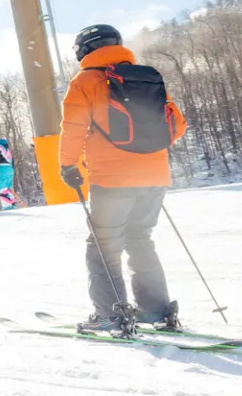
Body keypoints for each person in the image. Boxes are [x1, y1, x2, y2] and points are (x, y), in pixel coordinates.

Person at [58, 24, 189, 334]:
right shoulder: (146, 76)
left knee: (104, 246)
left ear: (83, 51)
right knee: (140, 239)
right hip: (155, 176)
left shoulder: (85, 81)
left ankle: (109, 315)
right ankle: (157, 310)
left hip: (112, 179)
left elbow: (73, 128)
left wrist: (67, 166)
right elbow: (178, 125)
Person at [0, 133, 20, 210]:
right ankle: (12, 204)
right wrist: (12, 169)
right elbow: (12, 160)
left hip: (2, 169)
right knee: (7, 188)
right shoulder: (5, 147)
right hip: (9, 169)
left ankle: (7, 207)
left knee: (1, 188)